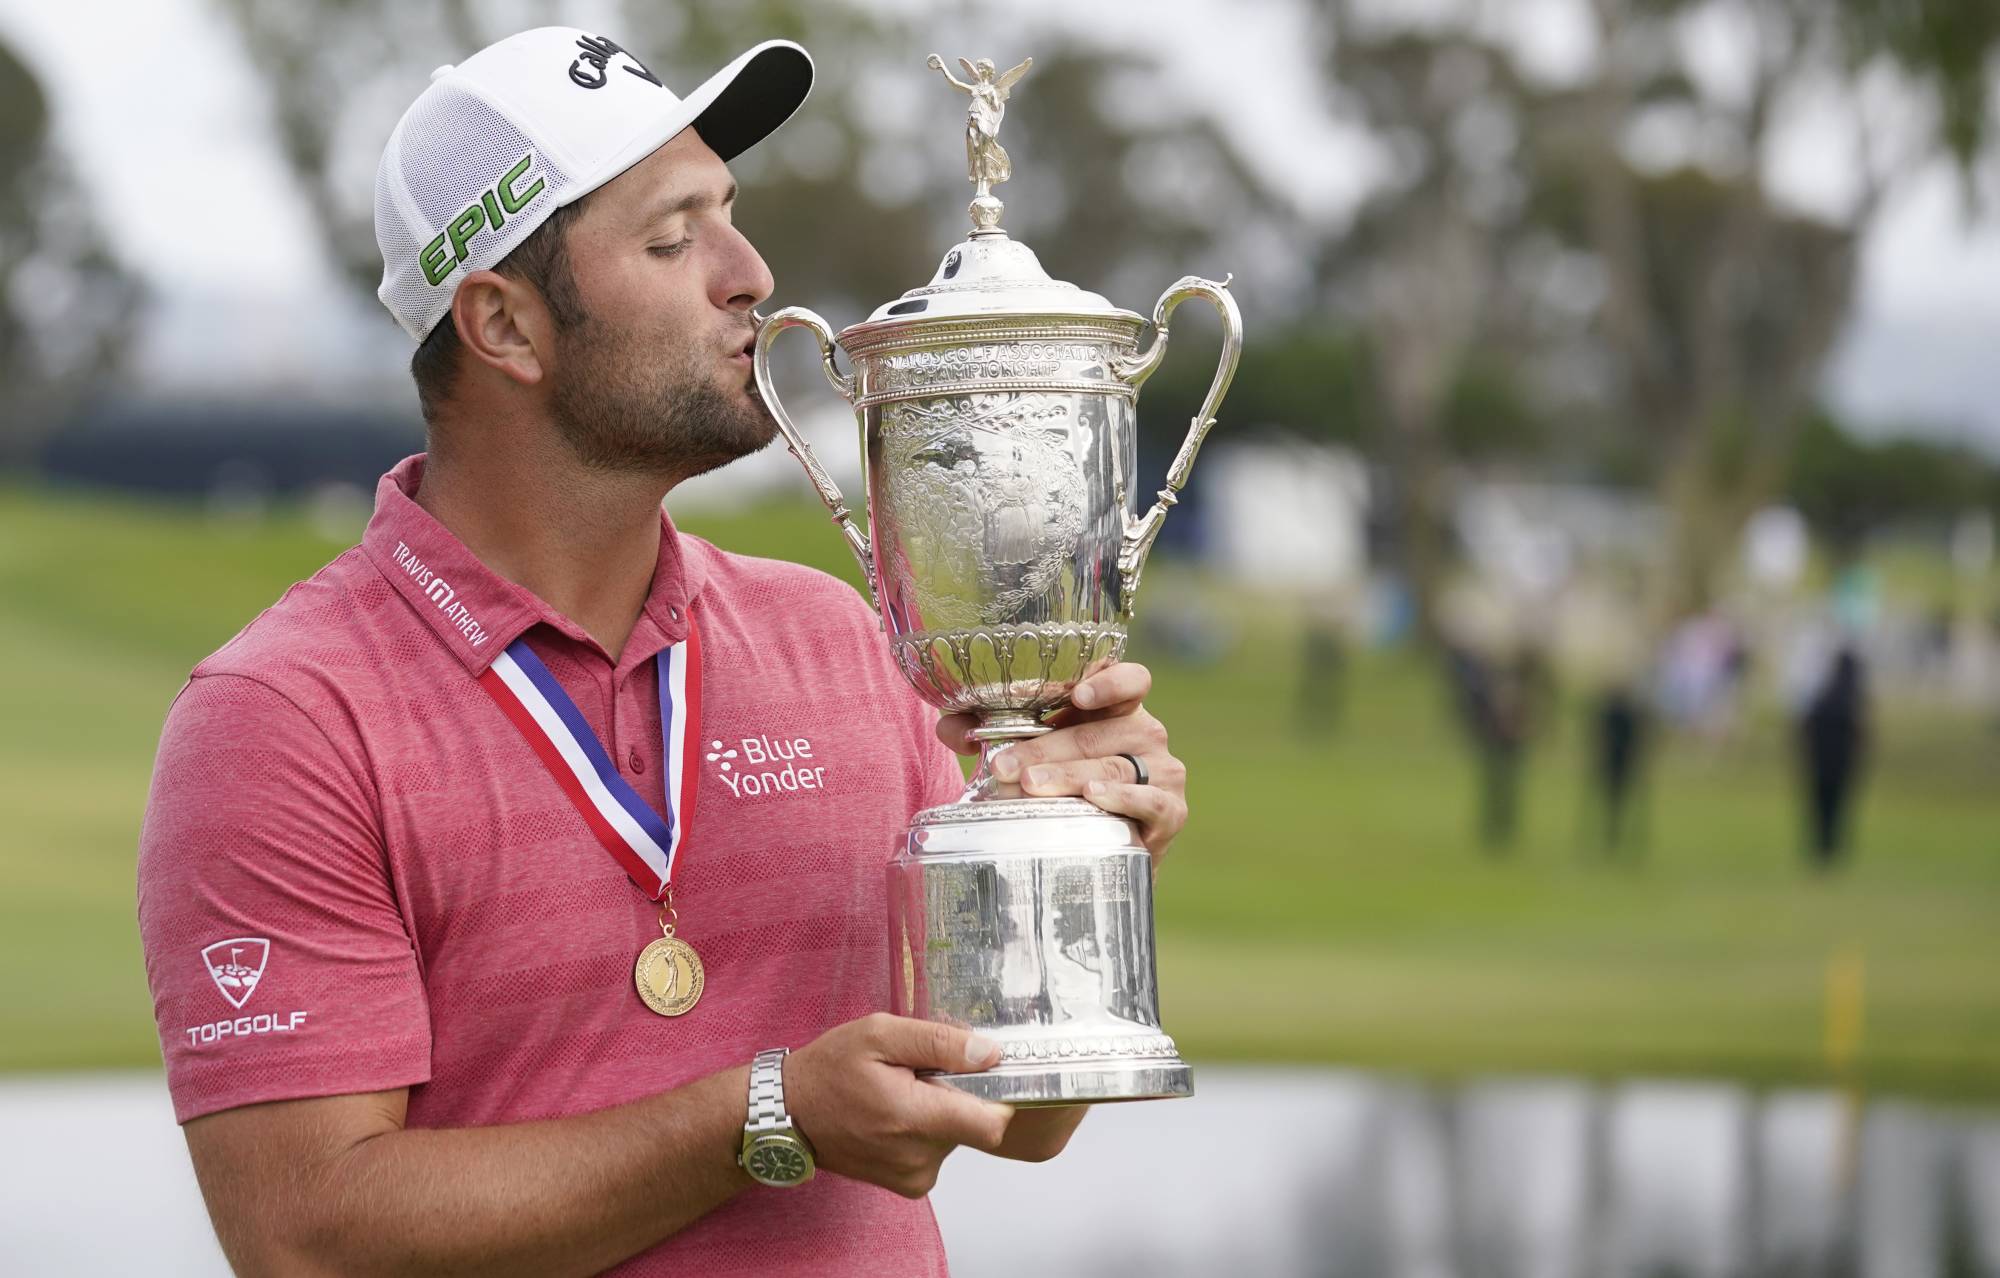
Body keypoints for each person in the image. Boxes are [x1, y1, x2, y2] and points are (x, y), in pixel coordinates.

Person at [134, 28, 1189, 1278]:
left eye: (728, 217)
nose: (748, 274)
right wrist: (764, 1116)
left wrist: (1070, 859)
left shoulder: (843, 643)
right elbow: (308, 1237)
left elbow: (1015, 1112)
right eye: (672, 239)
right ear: (506, 327)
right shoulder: (285, 719)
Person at [1798, 645, 1868, 868]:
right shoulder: (1852, 700)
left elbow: (1806, 726)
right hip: (1841, 763)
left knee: (1820, 805)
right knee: (1837, 806)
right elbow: (1859, 735)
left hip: (1818, 761)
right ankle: (1832, 846)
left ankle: (1821, 846)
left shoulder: (1823, 694)